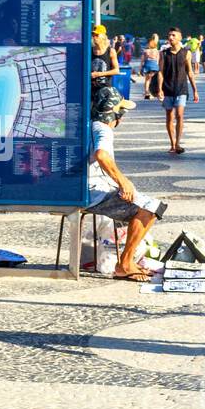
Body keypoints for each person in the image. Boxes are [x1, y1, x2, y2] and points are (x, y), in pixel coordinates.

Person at [88, 86, 167, 281]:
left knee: (138, 201)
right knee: (151, 208)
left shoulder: (85, 126)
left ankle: (128, 260)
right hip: (92, 194)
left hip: (77, 191)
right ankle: (124, 264)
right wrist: (124, 182)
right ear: (114, 112)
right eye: (121, 111)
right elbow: (101, 155)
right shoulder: (102, 129)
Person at [157, 27, 199, 154]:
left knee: (180, 115)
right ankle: (172, 144)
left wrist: (195, 90)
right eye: (169, 35)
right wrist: (159, 89)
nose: (171, 38)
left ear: (180, 38)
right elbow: (160, 72)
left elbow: (190, 72)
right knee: (169, 117)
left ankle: (178, 142)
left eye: (174, 35)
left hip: (181, 89)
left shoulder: (186, 53)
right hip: (168, 88)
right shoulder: (164, 53)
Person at [90, 24, 120, 101]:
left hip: (105, 89)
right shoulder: (89, 51)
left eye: (97, 35)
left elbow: (116, 70)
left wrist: (99, 74)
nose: (94, 37)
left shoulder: (110, 51)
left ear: (103, 36)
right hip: (90, 89)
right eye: (93, 35)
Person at [140, 34, 161, 99]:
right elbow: (158, 60)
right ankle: (156, 93)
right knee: (155, 80)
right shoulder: (157, 51)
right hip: (154, 66)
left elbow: (142, 61)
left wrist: (141, 69)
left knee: (147, 80)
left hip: (147, 66)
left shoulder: (146, 51)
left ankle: (146, 92)